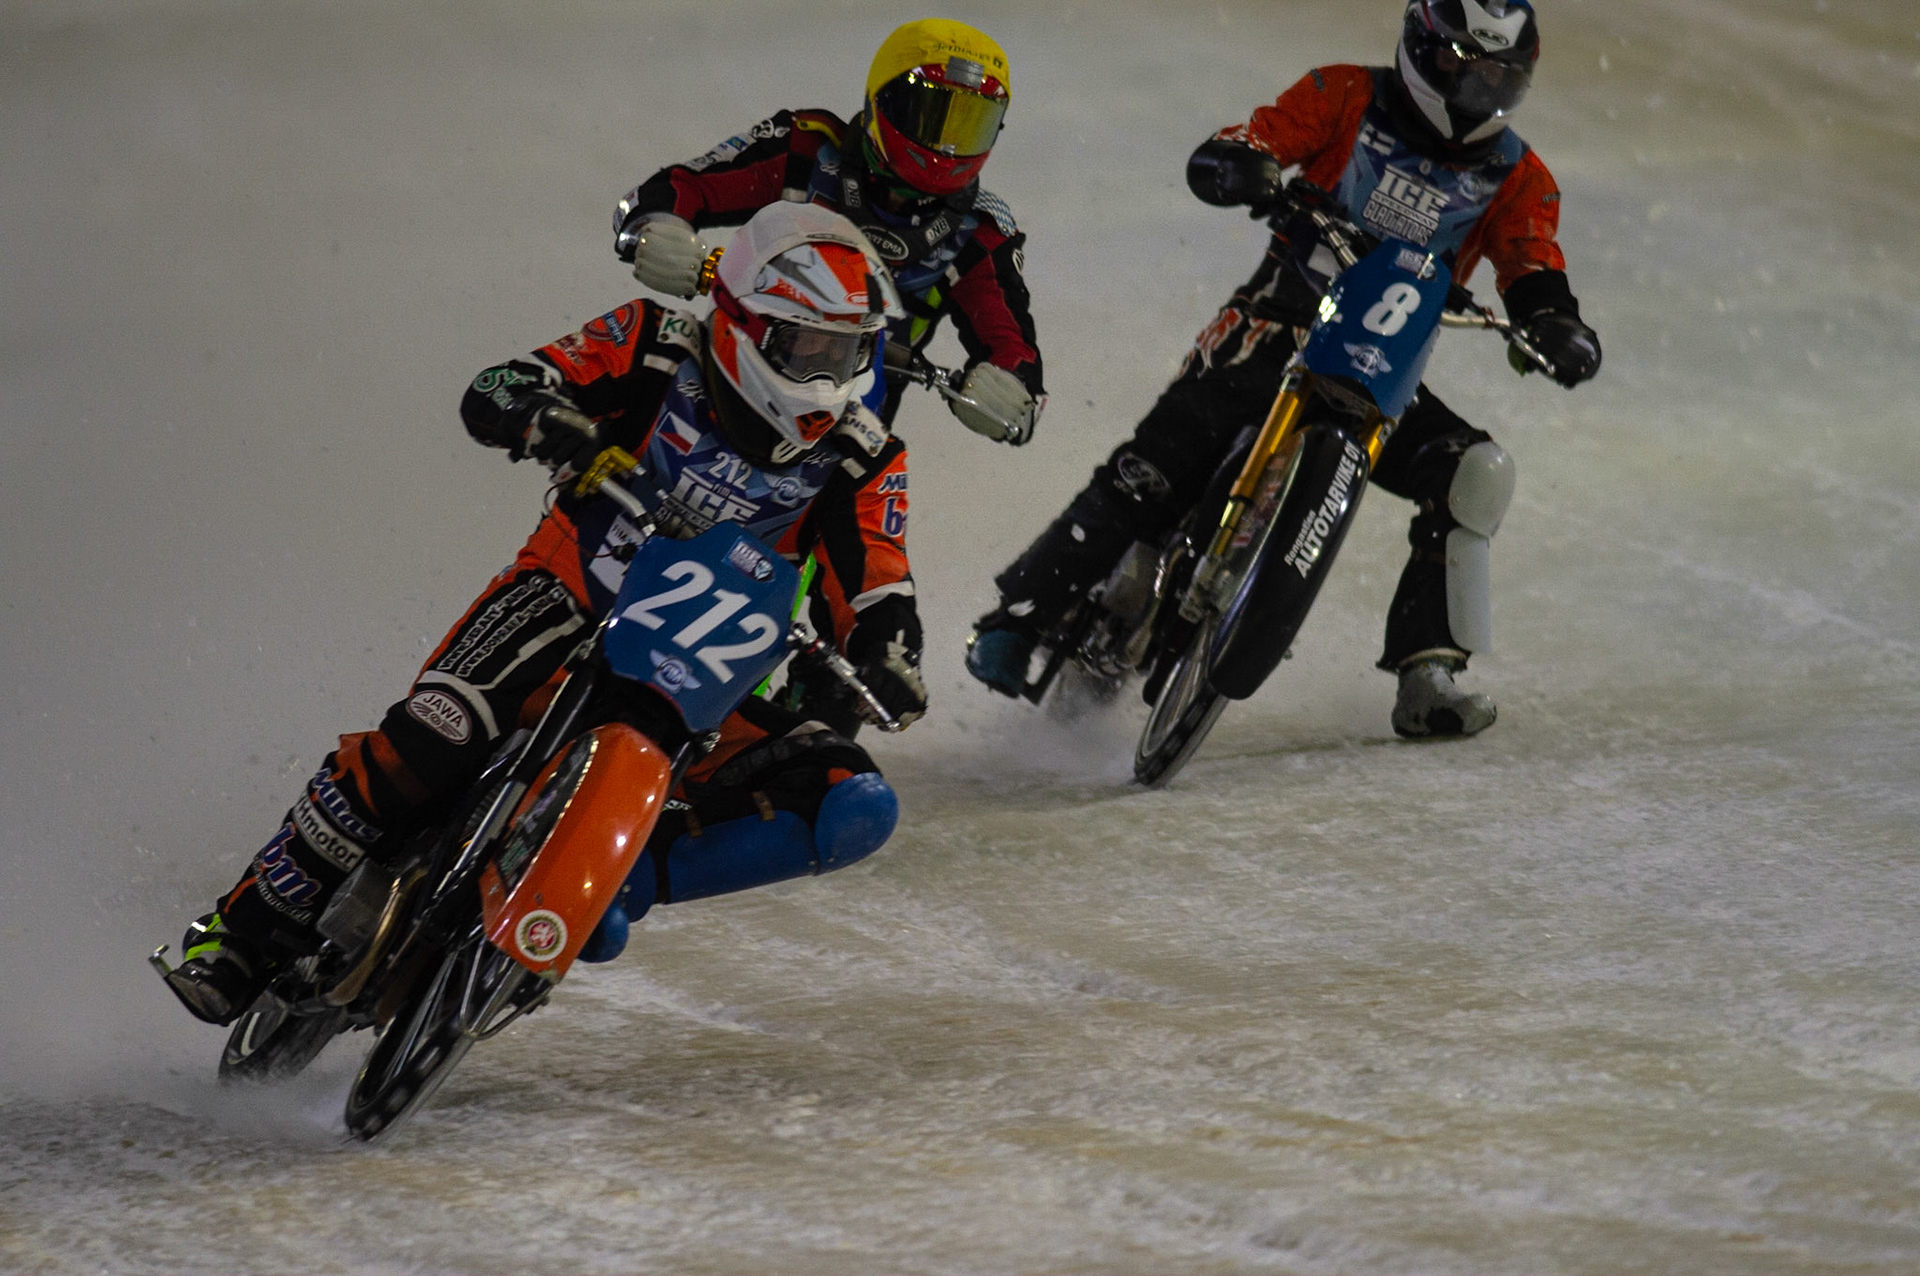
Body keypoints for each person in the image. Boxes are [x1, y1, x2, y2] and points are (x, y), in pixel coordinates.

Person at [163, 203, 931, 1026]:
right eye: (806, 347)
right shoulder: (652, 342)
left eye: (847, 352)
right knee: (434, 738)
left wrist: (889, 652)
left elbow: (879, 577)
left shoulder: (864, 452)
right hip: (568, 591)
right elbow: (499, 386)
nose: (825, 378)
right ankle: (235, 930)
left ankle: (601, 879)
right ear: (743, 323)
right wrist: (550, 419)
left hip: (696, 670)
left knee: (853, 802)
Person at [966, 0, 1601, 739]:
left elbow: (1531, 264)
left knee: (1473, 471)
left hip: (1377, 371)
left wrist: (1552, 319)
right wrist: (1245, 164)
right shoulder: (1345, 95)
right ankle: (1023, 616)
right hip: (1270, 329)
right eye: (1465, 67)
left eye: (1499, 77)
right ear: (1424, 49)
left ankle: (1429, 670)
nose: (1477, 92)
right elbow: (1256, 136)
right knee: (1153, 470)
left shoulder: (1518, 175)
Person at [613, 18, 1044, 443]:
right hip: (723, 382)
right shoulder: (806, 147)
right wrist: (655, 229)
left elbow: (1016, 354)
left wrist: (1008, 393)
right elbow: (674, 188)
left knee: (873, 488)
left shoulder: (981, 234)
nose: (948, 146)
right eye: (932, 115)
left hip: (842, 430)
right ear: (885, 102)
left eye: (971, 124)